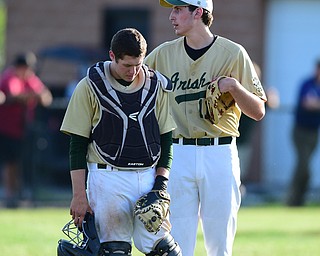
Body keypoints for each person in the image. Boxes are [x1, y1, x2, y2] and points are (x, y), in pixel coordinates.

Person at [144, 1, 267, 255]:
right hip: (177, 153)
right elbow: (136, 84)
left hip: (219, 152)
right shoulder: (163, 54)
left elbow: (258, 111)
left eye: (178, 10)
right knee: (177, 244)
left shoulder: (233, 53)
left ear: (198, 12)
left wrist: (234, 87)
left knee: (220, 244)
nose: (171, 16)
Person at [60, 28, 181, 255]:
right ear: (112, 56)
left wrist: (161, 185)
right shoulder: (89, 86)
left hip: (148, 176)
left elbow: (167, 138)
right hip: (107, 177)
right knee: (114, 250)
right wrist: (78, 195)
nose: (133, 71)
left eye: (138, 64)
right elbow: (77, 145)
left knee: (164, 249)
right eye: (127, 65)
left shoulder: (156, 86)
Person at [0, 52, 52, 208]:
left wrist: (36, 95)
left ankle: (19, 193)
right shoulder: (10, 77)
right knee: (10, 163)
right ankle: (10, 195)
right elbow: (14, 95)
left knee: (21, 162)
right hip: (6, 129)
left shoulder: (30, 79)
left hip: (23, 129)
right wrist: (32, 96)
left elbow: (46, 98)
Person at [286, 60, 320, 207]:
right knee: (303, 166)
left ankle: (299, 200)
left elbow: (314, 104)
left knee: (304, 167)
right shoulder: (307, 84)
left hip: (313, 132)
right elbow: (307, 103)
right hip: (300, 131)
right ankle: (293, 200)